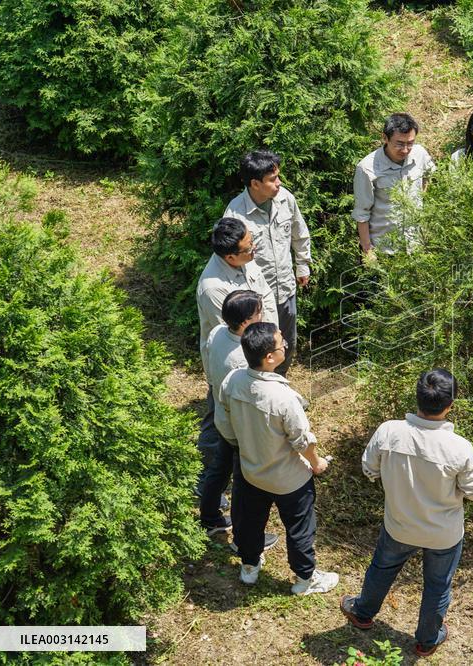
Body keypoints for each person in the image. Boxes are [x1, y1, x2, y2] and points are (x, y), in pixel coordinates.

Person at [339, 369, 473, 657]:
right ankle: (427, 640)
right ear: (450, 405)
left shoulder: (389, 431)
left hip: (399, 523)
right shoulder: (460, 448)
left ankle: (362, 612)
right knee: (437, 585)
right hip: (443, 533)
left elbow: (369, 469)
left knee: (382, 568)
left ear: (417, 397)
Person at [215, 322, 340, 596]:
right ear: (269, 357)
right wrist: (317, 463)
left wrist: (242, 446)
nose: (285, 343)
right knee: (299, 528)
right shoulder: (283, 397)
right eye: (281, 342)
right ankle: (305, 579)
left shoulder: (233, 380)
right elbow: (302, 441)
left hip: (251, 472)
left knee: (249, 522)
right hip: (289, 479)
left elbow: (223, 420)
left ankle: (249, 567)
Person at [195, 217, 278, 517]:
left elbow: (265, 296)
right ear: (230, 256)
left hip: (258, 352)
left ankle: (213, 482)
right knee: (219, 425)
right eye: (248, 248)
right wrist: (268, 348)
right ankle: (206, 481)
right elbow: (240, 333)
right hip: (233, 365)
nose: (254, 250)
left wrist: (273, 337)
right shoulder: (213, 288)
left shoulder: (246, 259)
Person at [200, 290, 277, 552]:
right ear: (245, 322)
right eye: (259, 313)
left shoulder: (217, 332)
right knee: (244, 485)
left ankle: (210, 518)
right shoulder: (243, 357)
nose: (262, 316)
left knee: (219, 468)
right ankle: (244, 541)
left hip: (222, 417)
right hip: (239, 426)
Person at [224, 150, 311, 376]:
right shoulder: (235, 215)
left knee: (286, 344)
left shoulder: (286, 199)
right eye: (272, 179)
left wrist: (302, 265)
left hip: (286, 291)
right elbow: (231, 261)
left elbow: (299, 234)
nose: (279, 183)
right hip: (257, 302)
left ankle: (280, 381)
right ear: (255, 183)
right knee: (260, 352)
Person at [353, 113, 436, 254]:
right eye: (399, 144)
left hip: (416, 245)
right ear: (385, 138)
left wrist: (421, 199)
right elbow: (362, 214)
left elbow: (429, 175)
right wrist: (368, 251)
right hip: (385, 250)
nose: (405, 150)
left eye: (410, 143)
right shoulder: (367, 168)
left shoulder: (420, 154)